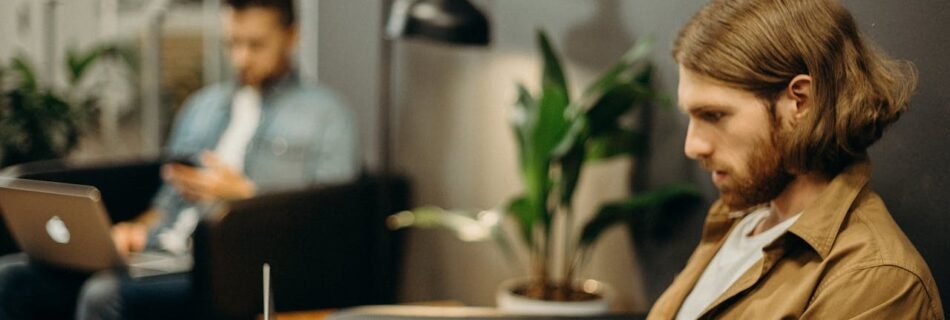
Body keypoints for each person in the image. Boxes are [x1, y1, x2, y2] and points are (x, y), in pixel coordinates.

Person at [0, 0, 359, 318]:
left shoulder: (327, 115)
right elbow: (165, 200)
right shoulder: (201, 107)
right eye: (232, 43)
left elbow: (332, 221)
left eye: (256, 45)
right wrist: (135, 230)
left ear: (292, 36)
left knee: (104, 295)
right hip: (158, 255)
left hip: (228, 270)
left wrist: (246, 196)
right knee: (12, 277)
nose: (241, 58)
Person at [647, 0, 944, 319]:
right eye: (690, 116)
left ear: (799, 101)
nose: (693, 146)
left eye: (714, 115)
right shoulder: (740, 221)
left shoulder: (874, 279)